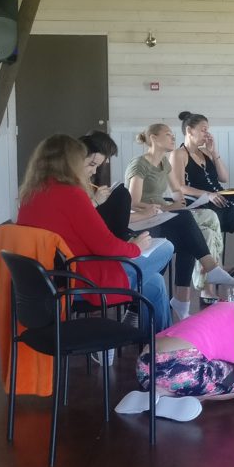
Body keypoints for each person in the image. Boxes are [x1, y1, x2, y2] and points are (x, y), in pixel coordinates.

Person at [16, 134, 176, 329]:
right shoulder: (71, 194)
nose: (92, 171)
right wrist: (135, 247)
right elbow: (106, 246)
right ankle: (162, 343)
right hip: (82, 279)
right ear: (71, 162)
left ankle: (160, 342)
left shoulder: (31, 194)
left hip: (49, 279)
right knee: (166, 247)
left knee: (155, 283)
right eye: (86, 163)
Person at [115, 302, 234, 421]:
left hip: (145, 368)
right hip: (178, 369)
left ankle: (159, 395)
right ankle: (173, 396)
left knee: (232, 374)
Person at [126, 123, 234, 306]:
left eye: (172, 134)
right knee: (189, 226)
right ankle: (211, 269)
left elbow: (176, 190)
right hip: (144, 219)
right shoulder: (140, 164)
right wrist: (168, 208)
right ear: (153, 138)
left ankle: (183, 298)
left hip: (162, 214)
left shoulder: (164, 163)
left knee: (198, 229)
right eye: (168, 134)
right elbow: (133, 202)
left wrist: (181, 203)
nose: (173, 137)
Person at [171, 111, 234, 252]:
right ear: (189, 130)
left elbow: (224, 178)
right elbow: (179, 187)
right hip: (200, 201)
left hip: (220, 195)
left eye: (208, 130)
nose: (207, 134)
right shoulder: (179, 154)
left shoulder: (205, 152)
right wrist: (208, 195)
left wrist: (214, 152)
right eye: (203, 130)